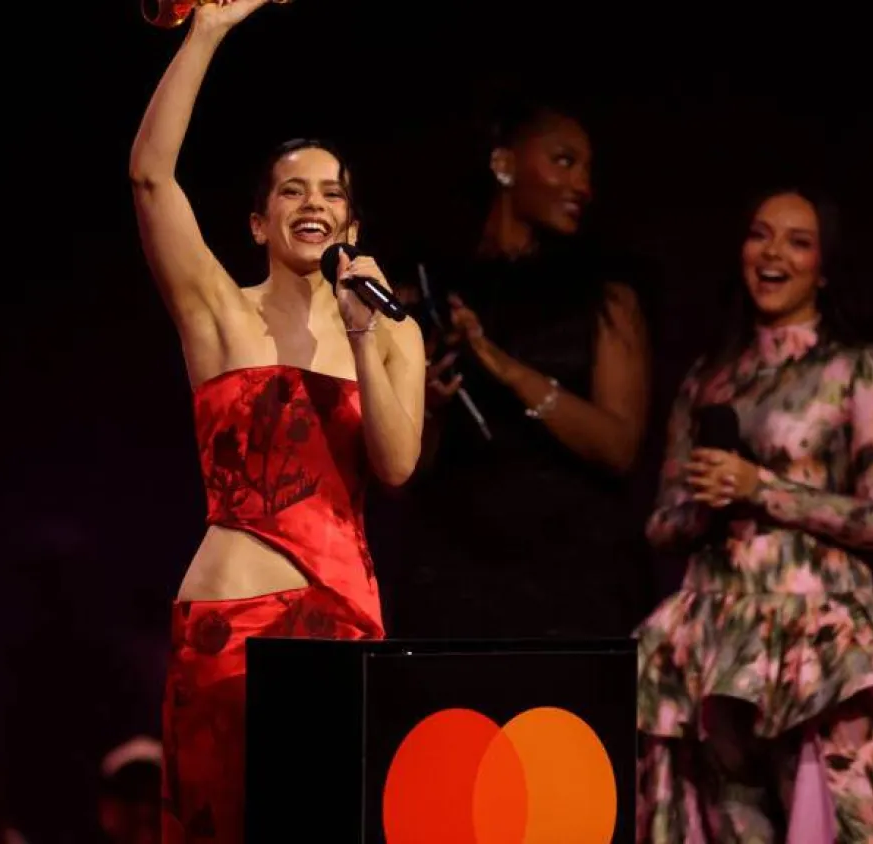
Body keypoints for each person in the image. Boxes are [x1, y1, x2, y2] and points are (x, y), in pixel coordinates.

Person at [127, 2, 425, 842]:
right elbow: (151, 177)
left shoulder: (391, 326)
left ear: (352, 225)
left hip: (338, 626)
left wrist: (362, 330)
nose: (314, 201)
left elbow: (398, 466)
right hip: (231, 627)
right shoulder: (221, 317)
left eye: (333, 192)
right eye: (292, 188)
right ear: (260, 222)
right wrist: (209, 32)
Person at [634, 188, 873, 843]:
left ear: (824, 268)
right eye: (760, 234)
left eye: (797, 242)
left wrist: (760, 488)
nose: (773, 254)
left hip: (816, 641)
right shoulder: (707, 378)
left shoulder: (855, 368)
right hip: (716, 639)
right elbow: (661, 524)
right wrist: (704, 505)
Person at [369, 96, 651, 639]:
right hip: (455, 569)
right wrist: (428, 406)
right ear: (504, 164)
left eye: (588, 170)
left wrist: (505, 368)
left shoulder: (604, 296)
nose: (582, 186)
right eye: (564, 161)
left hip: (572, 574)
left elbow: (618, 447)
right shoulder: (431, 292)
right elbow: (403, 476)